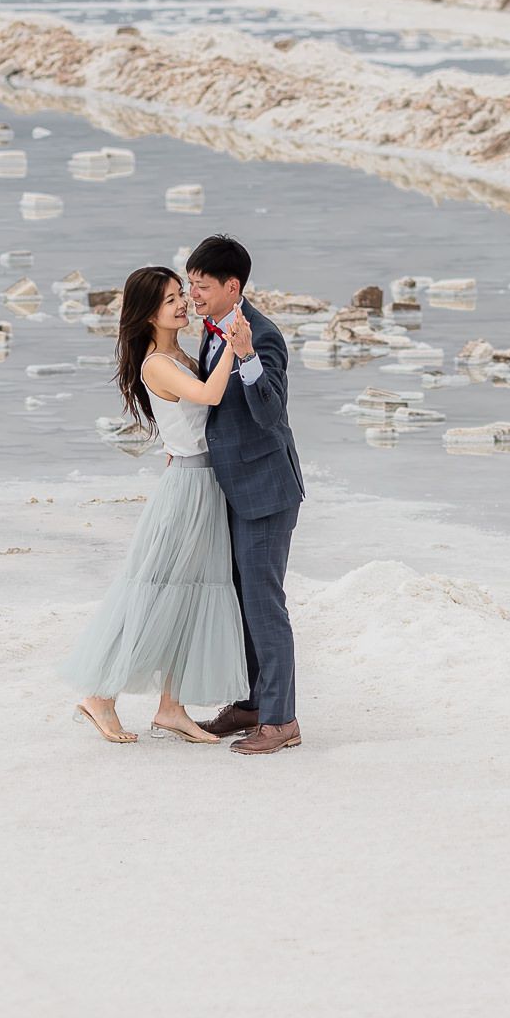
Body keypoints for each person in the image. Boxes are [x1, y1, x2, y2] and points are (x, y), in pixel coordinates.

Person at [60, 266, 250, 744]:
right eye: (170, 300)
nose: (182, 303)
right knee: (155, 593)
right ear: (147, 313)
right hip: (186, 489)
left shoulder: (177, 353)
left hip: (202, 483)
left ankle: (171, 707)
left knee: (189, 595)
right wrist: (235, 342)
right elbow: (209, 394)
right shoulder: (156, 363)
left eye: (180, 294)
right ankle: (100, 696)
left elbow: (187, 418)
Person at [185, 235, 307, 755]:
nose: (193, 295)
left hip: (266, 491)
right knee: (240, 602)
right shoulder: (212, 331)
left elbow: (270, 414)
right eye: (189, 285)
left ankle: (281, 722)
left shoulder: (264, 336)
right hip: (232, 489)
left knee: (264, 604)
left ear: (232, 286)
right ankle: (254, 704)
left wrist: (248, 357)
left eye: (202, 286)